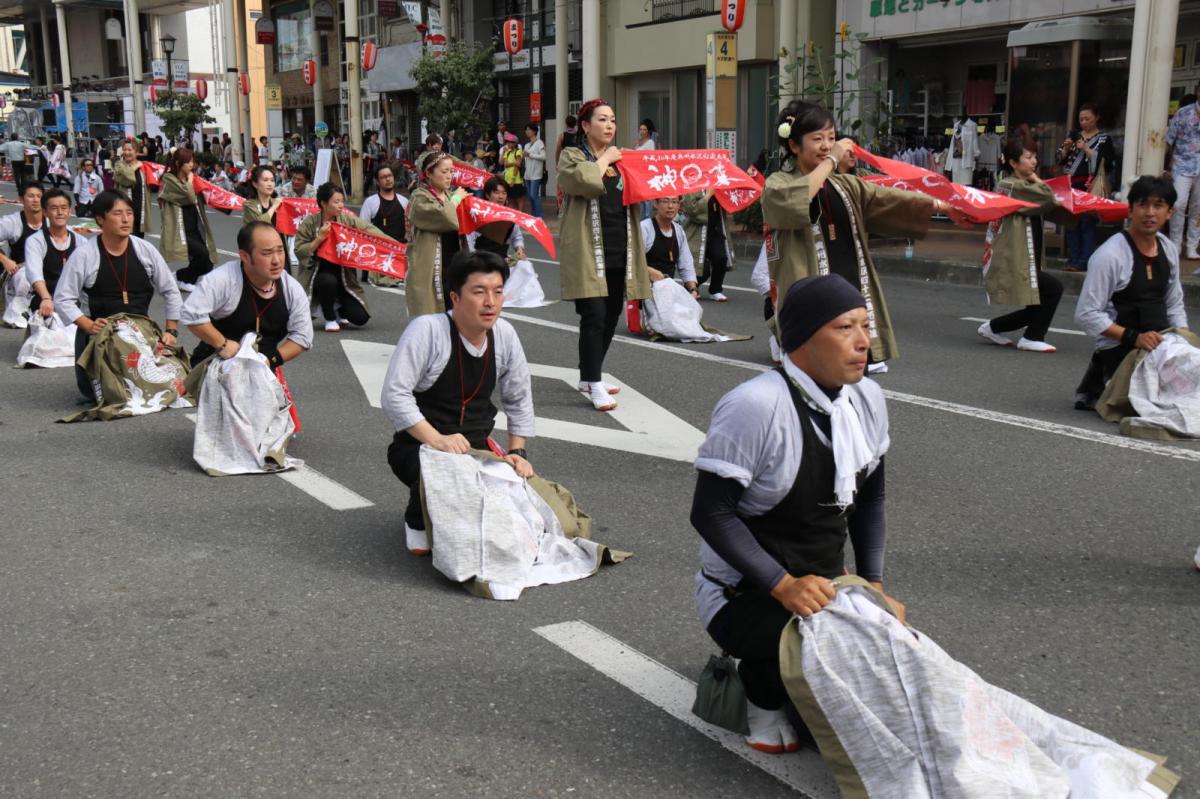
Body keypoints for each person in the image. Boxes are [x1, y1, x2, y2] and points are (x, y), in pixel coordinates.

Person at [689, 274, 899, 754]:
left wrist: (874, 585)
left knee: (890, 660)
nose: (864, 341)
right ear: (803, 337)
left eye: (866, 326)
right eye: (845, 327)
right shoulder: (756, 405)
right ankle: (760, 692)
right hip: (744, 593)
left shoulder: (867, 398)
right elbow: (711, 513)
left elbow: (871, 499)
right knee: (814, 651)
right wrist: (783, 585)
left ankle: (797, 679)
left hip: (824, 581)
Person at [762, 100, 967, 367]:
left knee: (855, 374)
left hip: (850, 286)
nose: (827, 145)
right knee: (816, 374)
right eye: (818, 139)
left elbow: (889, 198)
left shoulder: (845, 184)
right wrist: (833, 159)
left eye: (832, 137)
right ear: (793, 145)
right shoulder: (778, 184)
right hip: (811, 293)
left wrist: (941, 205)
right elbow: (797, 199)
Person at [381, 249, 535, 555]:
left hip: (477, 448)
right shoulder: (428, 330)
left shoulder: (504, 334)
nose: (490, 302)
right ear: (455, 298)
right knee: (451, 519)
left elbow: (518, 398)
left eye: (498, 292)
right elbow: (394, 394)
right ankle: (417, 516)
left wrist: (518, 452)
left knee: (528, 517)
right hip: (421, 448)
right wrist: (437, 440)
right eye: (479, 292)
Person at [558, 98, 652, 411]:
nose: (610, 125)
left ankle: (589, 376)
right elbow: (582, 181)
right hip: (587, 249)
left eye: (612, 120)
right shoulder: (572, 155)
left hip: (618, 245)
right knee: (594, 314)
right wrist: (608, 157)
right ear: (585, 126)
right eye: (602, 119)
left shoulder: (623, 160)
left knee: (611, 314)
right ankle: (595, 382)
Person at [1073, 175, 1189, 410]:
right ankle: (1102, 381)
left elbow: (1174, 304)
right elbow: (1086, 314)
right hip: (1122, 347)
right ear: (1130, 210)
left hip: (1160, 343)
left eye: (1158, 206)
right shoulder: (1110, 255)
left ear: (1169, 213)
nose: (1149, 213)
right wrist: (1134, 337)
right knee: (1155, 407)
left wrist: (1184, 344)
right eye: (1142, 205)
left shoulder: (1167, 249)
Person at [53, 190, 182, 401]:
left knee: (174, 387)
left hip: (141, 334)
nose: (125, 219)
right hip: (101, 335)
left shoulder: (145, 250)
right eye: (117, 213)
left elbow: (170, 289)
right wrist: (86, 324)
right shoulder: (85, 255)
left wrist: (171, 330)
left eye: (129, 213)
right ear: (100, 219)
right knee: (113, 395)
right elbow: (63, 298)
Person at [976, 138, 1069, 353]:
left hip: (1026, 253)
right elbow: (1049, 198)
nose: (1034, 161)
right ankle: (1032, 336)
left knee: (1038, 301)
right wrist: (1036, 179)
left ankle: (993, 327)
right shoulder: (1012, 185)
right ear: (1013, 163)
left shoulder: (1020, 185)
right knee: (1053, 289)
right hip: (1014, 254)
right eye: (1028, 157)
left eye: (1035, 156)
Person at [182, 221, 313, 368]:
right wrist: (222, 344)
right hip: (215, 365)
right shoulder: (223, 279)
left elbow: (302, 336)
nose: (277, 260)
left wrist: (269, 361)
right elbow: (191, 313)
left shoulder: (291, 288)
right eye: (267, 253)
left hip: (263, 370)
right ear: (244, 256)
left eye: (280, 250)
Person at [293, 182, 389, 332]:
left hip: (345, 279)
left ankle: (339, 310)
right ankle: (330, 317)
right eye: (336, 202)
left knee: (360, 318)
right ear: (324, 203)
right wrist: (319, 238)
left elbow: (368, 230)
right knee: (327, 281)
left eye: (342, 201)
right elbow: (299, 250)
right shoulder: (310, 223)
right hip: (318, 278)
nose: (341, 205)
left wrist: (391, 243)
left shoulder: (347, 219)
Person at [1057, 103, 1117, 271]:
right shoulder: (1074, 136)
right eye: (1081, 119)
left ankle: (1085, 260)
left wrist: (1087, 148)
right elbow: (1060, 158)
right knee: (1070, 223)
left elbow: (1108, 163)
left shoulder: (1104, 139)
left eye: (1087, 119)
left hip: (1089, 184)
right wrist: (1067, 148)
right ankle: (1073, 258)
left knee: (1087, 222)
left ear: (1096, 118)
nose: (1083, 122)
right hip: (1071, 183)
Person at [407, 150, 467, 317]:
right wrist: (455, 200)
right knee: (431, 314)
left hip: (453, 260)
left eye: (451, 171)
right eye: (444, 171)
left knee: (456, 313)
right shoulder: (419, 197)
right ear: (428, 174)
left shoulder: (449, 194)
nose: (449, 176)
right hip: (431, 263)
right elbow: (445, 217)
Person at [158, 148, 219, 290]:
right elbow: (190, 197)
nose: (192, 165)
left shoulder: (192, 178)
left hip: (194, 226)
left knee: (208, 262)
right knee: (202, 254)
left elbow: (202, 196)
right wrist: (191, 181)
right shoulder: (169, 179)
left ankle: (182, 277)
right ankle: (182, 279)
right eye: (188, 162)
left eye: (192, 161)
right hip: (179, 229)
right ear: (178, 163)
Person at [25, 188, 84, 324]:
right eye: (54, 208)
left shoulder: (81, 242)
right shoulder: (35, 241)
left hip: (74, 300)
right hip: (46, 298)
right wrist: (46, 298)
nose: (59, 212)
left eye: (64, 208)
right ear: (45, 212)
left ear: (70, 211)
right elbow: (34, 273)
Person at [0, 181, 46, 319]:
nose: (36, 200)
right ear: (21, 199)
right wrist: (4, 260)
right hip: (21, 271)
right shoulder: (11, 222)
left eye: (39, 196)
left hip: (48, 270)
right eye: (31, 196)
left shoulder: (52, 221)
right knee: (24, 277)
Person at [681, 190, 734, 303]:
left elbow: (730, 203)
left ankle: (715, 290)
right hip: (697, 233)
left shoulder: (719, 185)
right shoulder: (692, 186)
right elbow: (692, 210)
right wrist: (709, 194)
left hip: (715, 231)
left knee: (721, 258)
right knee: (703, 269)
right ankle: (692, 287)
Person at [639, 196, 698, 295]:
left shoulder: (679, 230)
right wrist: (648, 271)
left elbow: (686, 264)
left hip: (666, 294)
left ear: (679, 205)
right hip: (642, 292)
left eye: (675, 202)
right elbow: (633, 262)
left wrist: (693, 289)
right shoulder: (644, 228)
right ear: (655, 203)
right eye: (665, 201)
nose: (670, 206)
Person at [1166, 91, 1200, 261]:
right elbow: (1169, 140)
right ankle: (1175, 245)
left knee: (1198, 208)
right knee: (1178, 204)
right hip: (1182, 165)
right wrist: (1168, 164)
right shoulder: (1183, 113)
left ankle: (1192, 246)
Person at [465, 177, 526, 261]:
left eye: (504, 193)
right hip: (479, 262)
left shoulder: (509, 216)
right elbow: (469, 243)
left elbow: (517, 237)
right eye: (497, 193)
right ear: (487, 195)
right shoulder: (477, 215)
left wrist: (519, 249)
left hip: (501, 262)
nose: (501, 197)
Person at [112, 139, 154, 238]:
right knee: (126, 237)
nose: (127, 152)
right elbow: (127, 179)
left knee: (139, 238)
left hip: (140, 206)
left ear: (136, 151)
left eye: (130, 150)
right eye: (125, 150)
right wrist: (136, 167)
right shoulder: (119, 165)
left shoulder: (144, 166)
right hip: (124, 207)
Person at [242, 165, 284, 230]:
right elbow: (259, 225)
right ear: (255, 184)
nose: (270, 184)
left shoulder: (278, 202)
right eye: (265, 180)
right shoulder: (249, 204)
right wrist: (274, 207)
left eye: (272, 180)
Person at [522, 124, 546, 218]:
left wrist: (530, 155)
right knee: (530, 197)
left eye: (529, 130)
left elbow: (544, 157)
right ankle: (533, 214)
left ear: (535, 131)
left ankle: (538, 215)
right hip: (527, 174)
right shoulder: (527, 145)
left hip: (536, 174)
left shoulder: (539, 143)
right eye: (526, 130)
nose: (527, 131)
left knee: (534, 195)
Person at [635, 120, 658, 220]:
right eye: (640, 129)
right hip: (638, 172)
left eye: (644, 129)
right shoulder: (638, 143)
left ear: (648, 131)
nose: (642, 131)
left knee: (647, 199)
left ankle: (647, 219)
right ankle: (641, 220)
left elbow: (650, 157)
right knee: (640, 198)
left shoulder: (650, 142)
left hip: (646, 172)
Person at [499, 133, 525, 210]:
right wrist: (514, 162)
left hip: (516, 180)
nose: (509, 144)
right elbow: (505, 164)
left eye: (511, 142)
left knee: (519, 199)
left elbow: (518, 165)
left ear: (515, 143)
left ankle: (520, 215)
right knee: (510, 199)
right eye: (508, 142)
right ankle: (513, 216)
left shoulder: (518, 151)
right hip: (507, 179)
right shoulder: (507, 152)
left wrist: (513, 179)